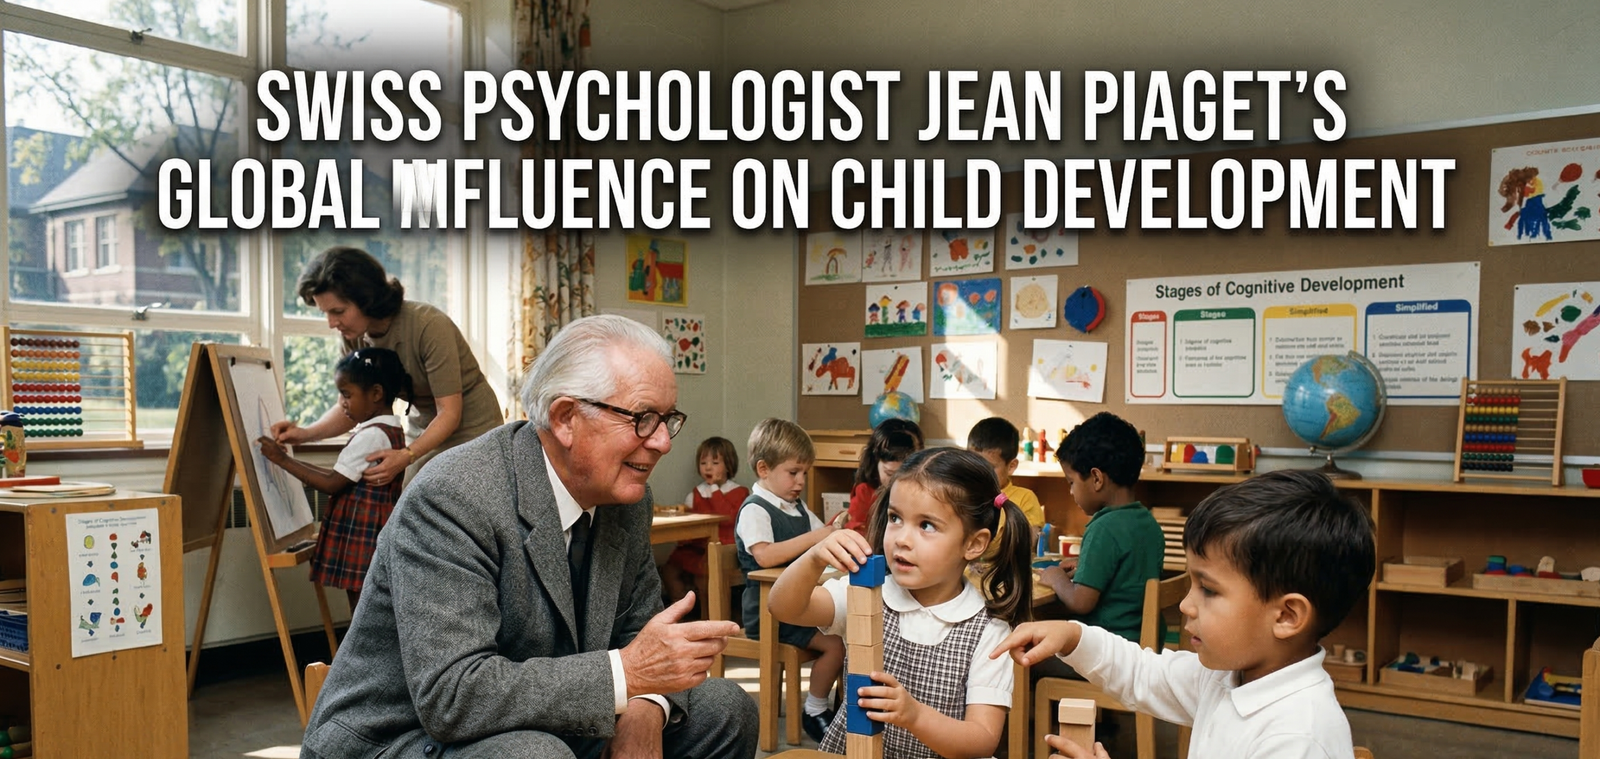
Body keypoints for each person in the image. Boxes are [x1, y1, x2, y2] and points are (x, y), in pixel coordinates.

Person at [300, 314, 757, 759]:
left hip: (538, 717)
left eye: (667, 419)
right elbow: (453, 696)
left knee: (725, 709)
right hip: (398, 734)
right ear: (564, 418)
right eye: (642, 418)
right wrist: (629, 674)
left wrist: (645, 709)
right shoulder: (454, 496)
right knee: (535, 754)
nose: (663, 442)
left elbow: (637, 628)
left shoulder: (628, 499)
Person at [992, 470, 1376, 759]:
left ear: (1287, 616)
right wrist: (1074, 636)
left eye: (1208, 590)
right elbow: (1146, 674)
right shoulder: (1231, 674)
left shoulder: (1296, 739)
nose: (1185, 605)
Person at [770, 447, 1034, 759]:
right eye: (896, 518)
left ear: (973, 543)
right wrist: (814, 557)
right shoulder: (867, 594)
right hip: (856, 752)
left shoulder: (989, 630)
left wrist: (914, 715)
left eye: (926, 525)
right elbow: (784, 606)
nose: (902, 539)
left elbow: (982, 738)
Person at [271, 247, 503, 485]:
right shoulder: (353, 337)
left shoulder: (429, 326)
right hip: (424, 426)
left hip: (472, 427)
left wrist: (408, 454)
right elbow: (352, 406)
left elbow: (449, 412)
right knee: (412, 504)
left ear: (367, 298)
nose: (331, 323)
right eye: (326, 313)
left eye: (338, 311)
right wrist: (305, 434)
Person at [257, 348, 411, 610]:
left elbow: (331, 483)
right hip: (370, 530)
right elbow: (335, 475)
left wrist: (283, 461)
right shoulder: (389, 429)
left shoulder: (371, 435)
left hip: (364, 534)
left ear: (376, 394)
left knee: (361, 608)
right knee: (367, 606)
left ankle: (360, 651)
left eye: (347, 394)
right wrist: (287, 461)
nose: (342, 403)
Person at [734, 418, 846, 742]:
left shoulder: (796, 507)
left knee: (845, 633)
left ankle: (837, 707)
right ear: (764, 469)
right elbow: (765, 556)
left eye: (804, 473)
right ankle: (814, 709)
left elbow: (818, 538)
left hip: (800, 607)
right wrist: (821, 536)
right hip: (769, 614)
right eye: (793, 472)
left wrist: (831, 531)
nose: (800, 481)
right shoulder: (755, 509)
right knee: (836, 645)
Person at [1039, 412, 1164, 649]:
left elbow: (1080, 602)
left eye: (1071, 482)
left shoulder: (1103, 527)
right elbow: (1127, 576)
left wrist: (1056, 579)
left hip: (1107, 653)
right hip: (1140, 646)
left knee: (1026, 655)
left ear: (1096, 478)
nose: (1071, 492)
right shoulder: (1146, 521)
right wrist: (1086, 565)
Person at [660, 436, 749, 607]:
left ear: (728, 465)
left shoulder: (740, 492)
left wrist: (714, 489)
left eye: (715, 463)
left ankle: (709, 615)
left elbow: (727, 517)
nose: (708, 467)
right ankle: (679, 607)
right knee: (669, 569)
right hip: (697, 547)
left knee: (704, 574)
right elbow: (688, 525)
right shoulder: (695, 493)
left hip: (723, 548)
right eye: (703, 463)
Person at [966, 417, 1045, 534]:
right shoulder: (960, 493)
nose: (980, 473)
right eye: (973, 464)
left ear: (1011, 466)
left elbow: (1027, 542)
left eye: (989, 467)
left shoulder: (1025, 499)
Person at [844, 421, 922, 534]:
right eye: (889, 473)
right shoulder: (865, 492)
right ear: (875, 464)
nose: (896, 481)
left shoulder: (922, 492)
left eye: (903, 473)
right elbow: (855, 533)